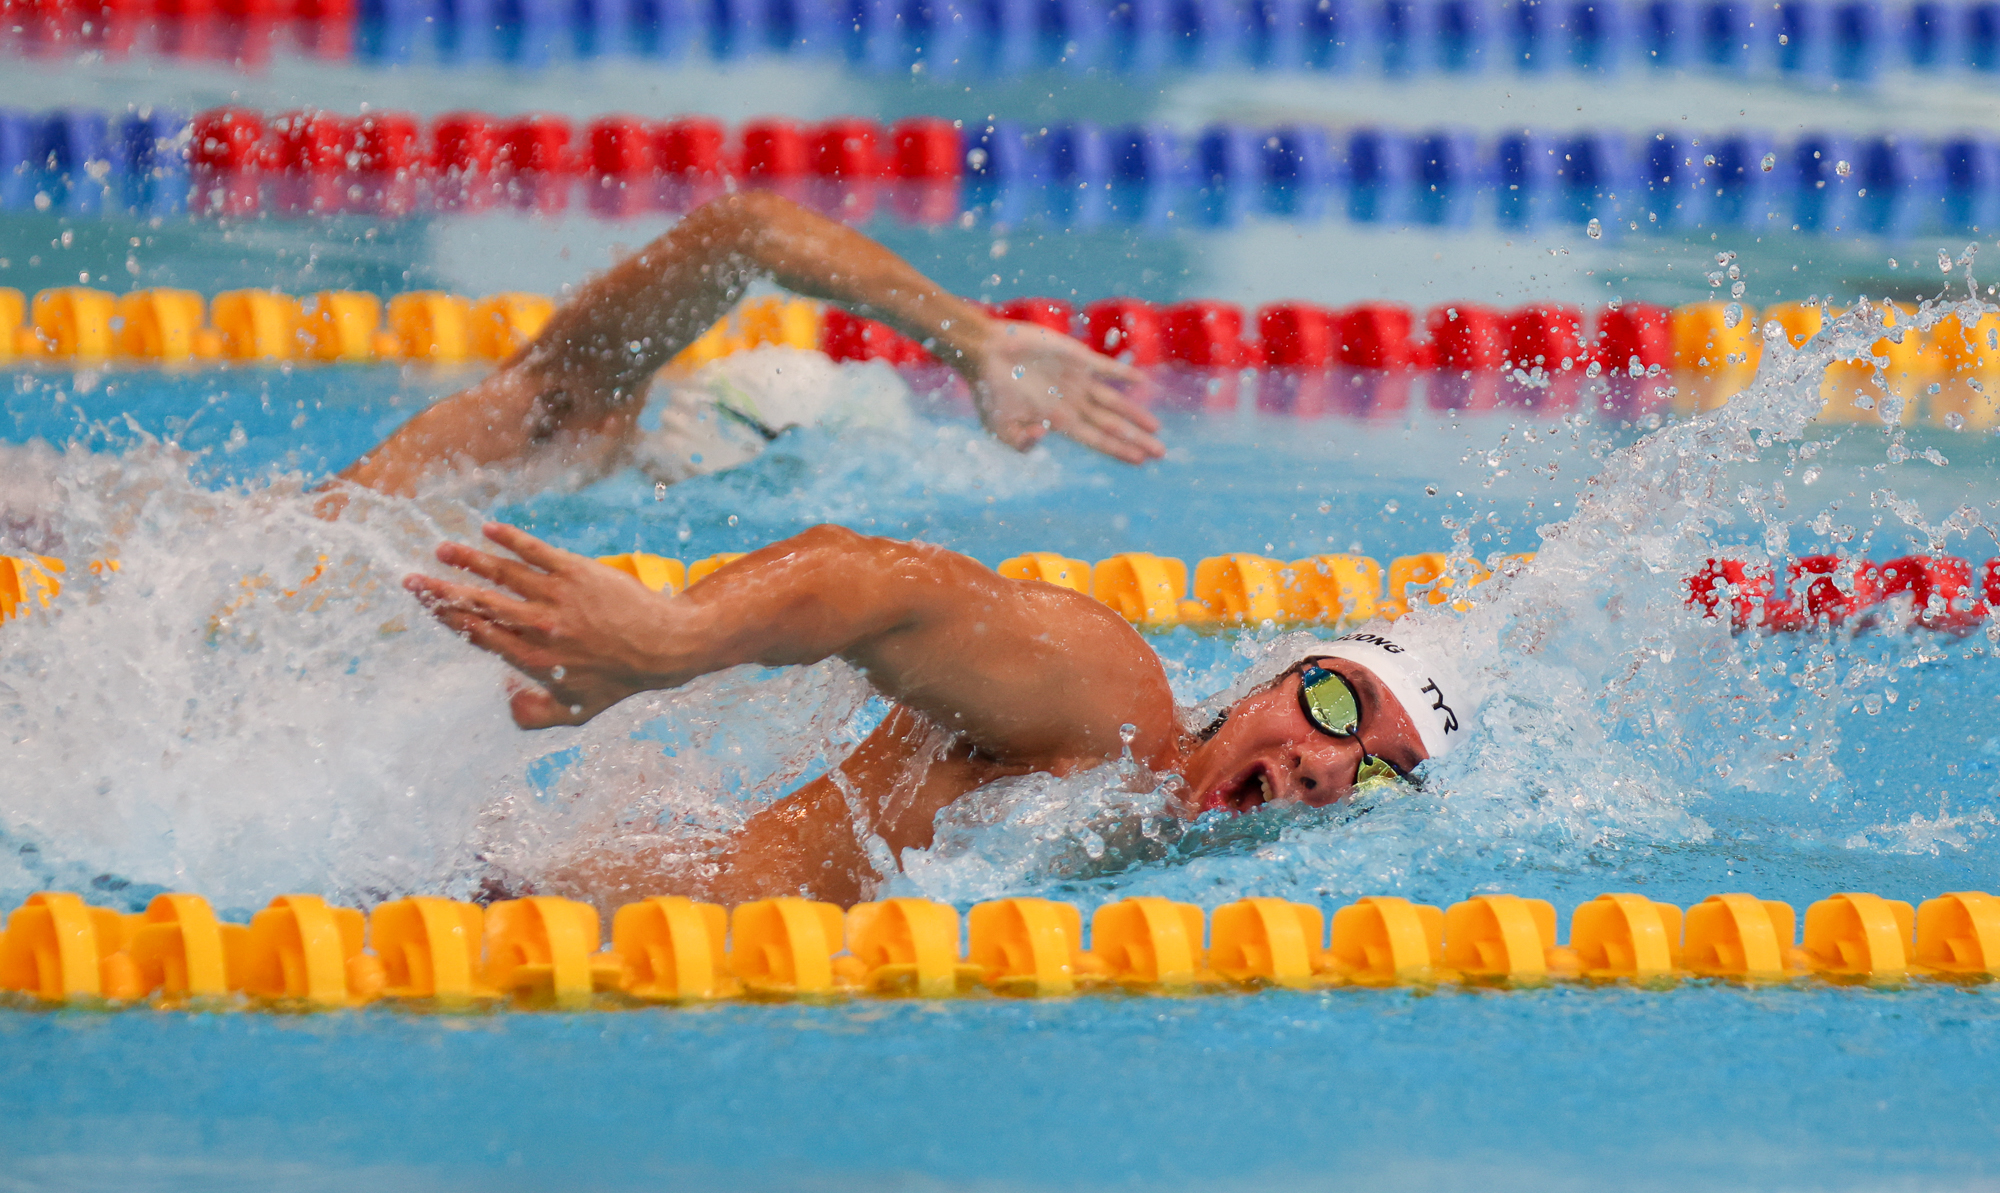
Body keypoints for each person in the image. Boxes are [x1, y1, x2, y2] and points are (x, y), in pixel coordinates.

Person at [406, 522, 1480, 909]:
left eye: (1377, 770)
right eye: (1334, 702)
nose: (1328, 766)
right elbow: (874, 583)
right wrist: (666, 642)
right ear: (1264, 679)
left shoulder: (1163, 847)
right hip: (544, 919)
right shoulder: (1112, 706)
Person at [332, 189, 1165, 500]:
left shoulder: (566, 429)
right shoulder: (556, 423)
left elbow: (749, 230)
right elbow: (750, 230)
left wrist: (976, 343)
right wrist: (975, 342)